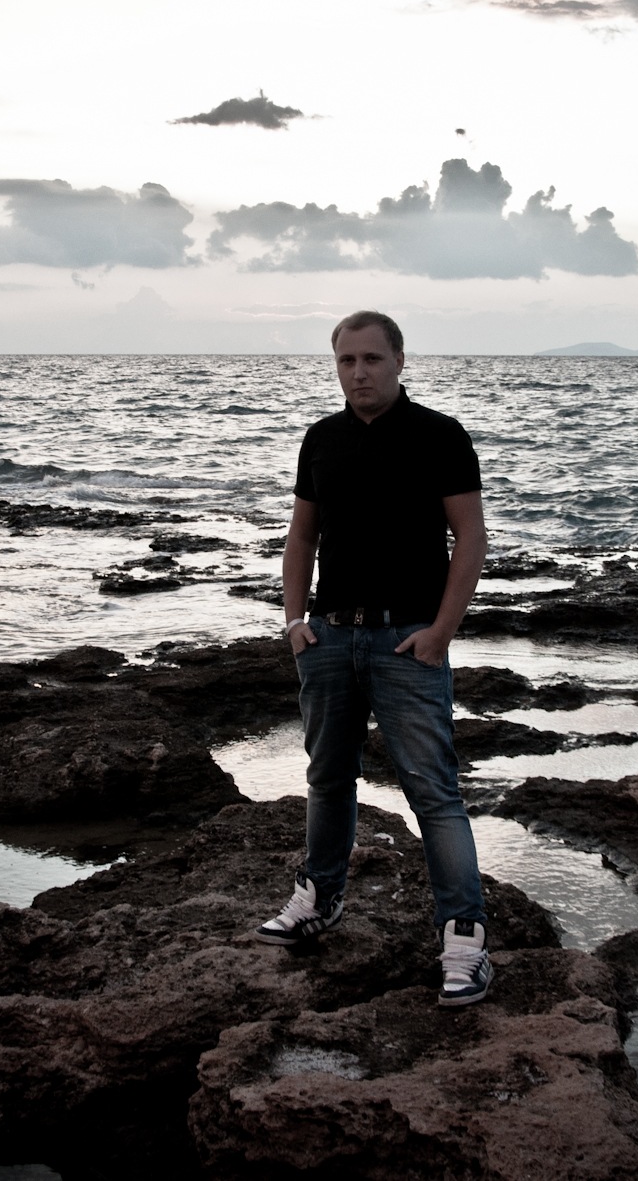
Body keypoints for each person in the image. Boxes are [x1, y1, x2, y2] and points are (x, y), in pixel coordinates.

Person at [254, 309, 493, 1007]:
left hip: (406, 641)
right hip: (330, 639)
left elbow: (471, 537)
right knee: (328, 779)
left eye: (371, 359)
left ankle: (465, 939)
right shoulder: (321, 439)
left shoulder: (440, 435)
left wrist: (441, 632)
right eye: (346, 361)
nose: (358, 372)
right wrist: (295, 621)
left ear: (399, 361)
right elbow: (301, 536)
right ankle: (318, 898)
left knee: (434, 792)